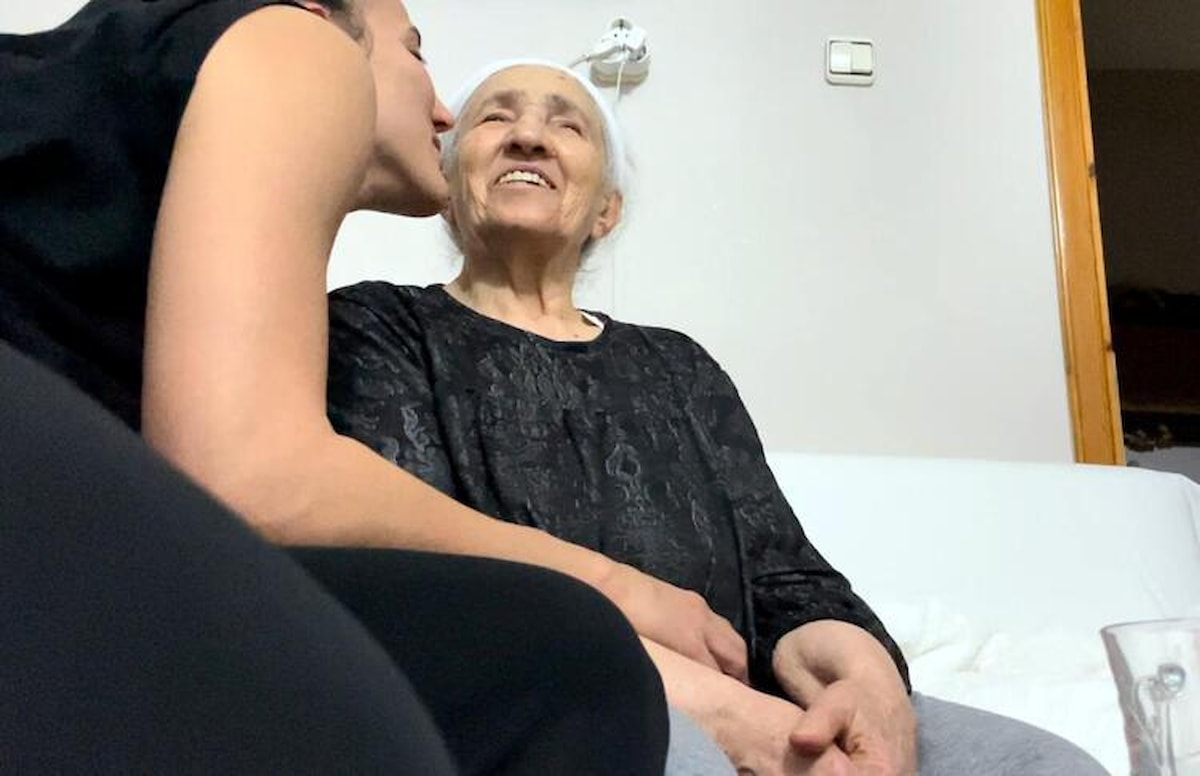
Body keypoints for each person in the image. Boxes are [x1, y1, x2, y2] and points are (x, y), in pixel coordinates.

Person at [325, 59, 1113, 776]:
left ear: (607, 211)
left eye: (568, 126)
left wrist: (872, 690)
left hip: (765, 701)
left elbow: (786, 579)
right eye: (496, 117)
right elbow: (443, 581)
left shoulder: (679, 364)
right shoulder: (379, 327)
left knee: (1044, 763)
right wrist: (742, 724)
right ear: (446, 181)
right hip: (559, 696)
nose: (528, 136)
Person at [0, 3, 670, 772]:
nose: (443, 111)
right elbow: (253, 476)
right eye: (415, 52)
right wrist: (612, 585)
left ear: (609, 209)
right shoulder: (297, 38)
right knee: (570, 657)